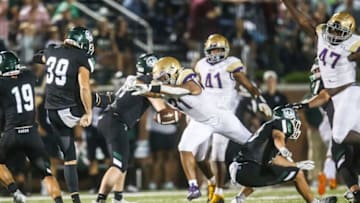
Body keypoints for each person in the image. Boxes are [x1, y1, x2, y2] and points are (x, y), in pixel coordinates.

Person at [131, 56, 271, 201]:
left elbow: (189, 89)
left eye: (165, 77)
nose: (162, 80)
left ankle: (280, 166)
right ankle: (195, 186)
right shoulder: (163, 86)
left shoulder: (185, 76)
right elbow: (151, 91)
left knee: (253, 144)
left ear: (174, 71)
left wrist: (155, 87)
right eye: (160, 78)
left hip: (221, 117)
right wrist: (138, 86)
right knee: (186, 148)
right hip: (200, 122)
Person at [282, 1, 360, 201]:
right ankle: (355, 190)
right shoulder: (322, 38)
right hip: (332, 98)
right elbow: (302, 20)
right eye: (332, 29)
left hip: (348, 94)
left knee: (340, 138)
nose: (333, 34)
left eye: (339, 31)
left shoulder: (353, 43)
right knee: (339, 146)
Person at [188, 34, 270, 202]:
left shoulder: (231, 63)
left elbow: (248, 85)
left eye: (219, 49)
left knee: (218, 154)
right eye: (213, 50)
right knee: (197, 154)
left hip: (224, 114)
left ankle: (218, 192)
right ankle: (211, 182)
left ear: (226, 50)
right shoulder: (200, 65)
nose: (216, 53)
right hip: (204, 112)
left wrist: (260, 100)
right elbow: (194, 88)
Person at [94, 53, 177, 203]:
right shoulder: (147, 82)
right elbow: (161, 110)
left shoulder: (133, 78)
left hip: (109, 120)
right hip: (115, 122)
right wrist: (174, 113)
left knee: (122, 161)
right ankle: (100, 200)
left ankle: (118, 198)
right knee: (118, 165)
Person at [33, 26, 96, 203]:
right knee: (99, 99)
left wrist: (44, 57)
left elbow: (37, 57)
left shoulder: (52, 50)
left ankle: (75, 199)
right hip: (68, 110)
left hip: (50, 112)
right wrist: (88, 112)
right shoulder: (81, 57)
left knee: (69, 157)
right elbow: (84, 86)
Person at [229, 107, 337, 203]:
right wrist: (282, 148)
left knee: (264, 170)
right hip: (248, 169)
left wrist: (296, 164)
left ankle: (238, 199)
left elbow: (275, 159)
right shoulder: (280, 124)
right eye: (293, 121)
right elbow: (278, 137)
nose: (295, 124)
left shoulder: (267, 130)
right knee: (298, 174)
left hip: (240, 169)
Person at [0, 51, 63, 203]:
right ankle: (59, 201)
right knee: (46, 174)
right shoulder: (28, 75)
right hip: (32, 135)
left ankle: (16, 192)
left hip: (12, 134)